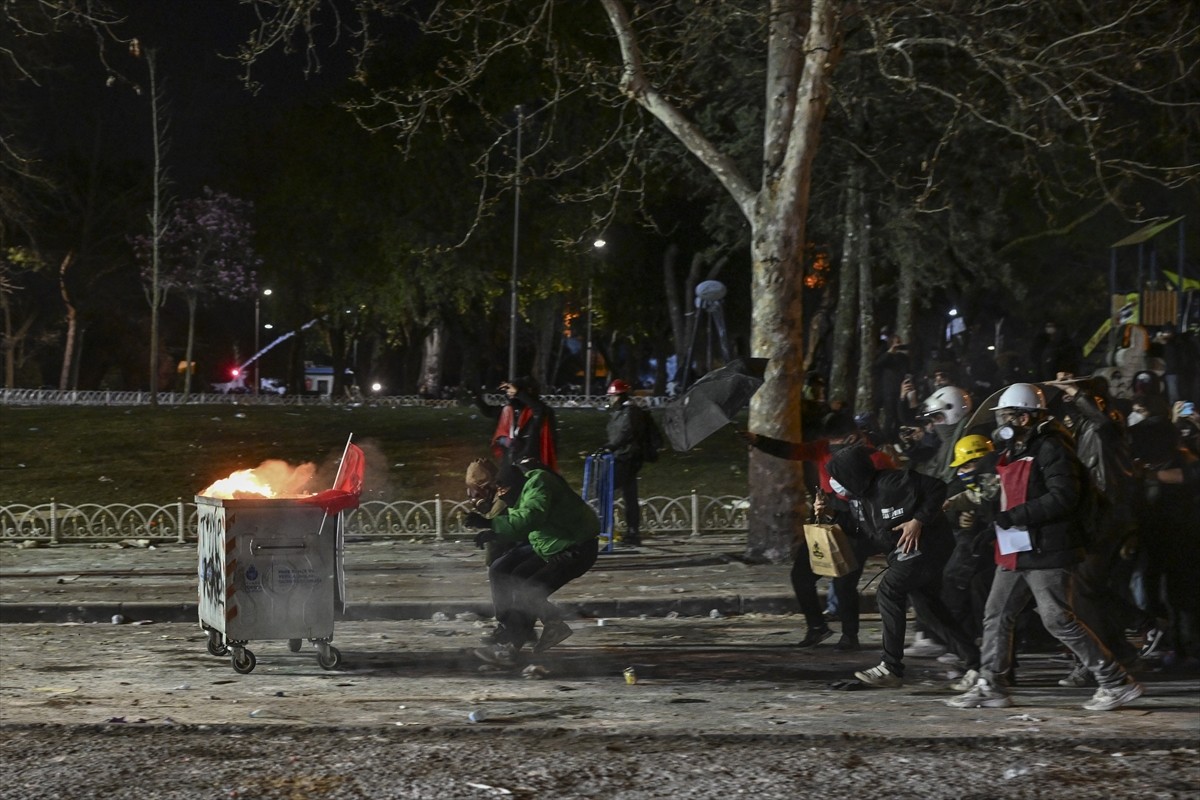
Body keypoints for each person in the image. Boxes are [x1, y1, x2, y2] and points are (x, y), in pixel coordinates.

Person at [947, 383, 1144, 712]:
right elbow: (1002, 490)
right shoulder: (1016, 450)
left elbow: (1063, 496)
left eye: (1006, 416)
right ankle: (990, 684)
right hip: (1017, 547)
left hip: (1047, 547)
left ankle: (1115, 681)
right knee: (996, 614)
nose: (1000, 423)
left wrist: (1015, 516)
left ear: (1025, 417)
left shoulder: (1052, 447)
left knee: (1057, 619)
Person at [825, 444, 981, 688]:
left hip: (927, 547)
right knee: (929, 609)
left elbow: (937, 488)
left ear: (852, 473)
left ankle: (891, 667)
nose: (835, 483)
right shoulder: (861, 499)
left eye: (838, 476)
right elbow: (861, 531)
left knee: (889, 590)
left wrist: (918, 520)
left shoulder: (892, 482)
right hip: (905, 553)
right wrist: (829, 514)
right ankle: (975, 662)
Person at [744, 411, 893, 650]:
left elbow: (888, 495)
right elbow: (793, 451)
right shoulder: (822, 448)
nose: (832, 446)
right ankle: (817, 627)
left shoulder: (876, 459)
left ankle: (849, 636)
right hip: (828, 524)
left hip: (858, 527)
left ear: (853, 437)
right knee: (801, 575)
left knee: (844, 582)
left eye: (838, 440)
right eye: (830, 440)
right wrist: (759, 440)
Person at [465, 457, 600, 666]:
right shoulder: (520, 491)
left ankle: (509, 648)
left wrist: (489, 522)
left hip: (574, 548)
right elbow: (522, 524)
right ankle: (532, 626)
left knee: (528, 591)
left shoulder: (539, 484)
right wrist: (494, 534)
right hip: (550, 545)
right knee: (504, 572)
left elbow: (530, 518)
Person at [599, 379, 652, 546]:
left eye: (613, 397)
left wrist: (610, 446)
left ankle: (613, 529)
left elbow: (626, 433)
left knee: (606, 488)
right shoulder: (621, 411)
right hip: (622, 456)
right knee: (629, 495)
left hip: (627, 457)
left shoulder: (631, 411)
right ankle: (631, 532)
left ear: (620, 396)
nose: (611, 400)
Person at [479, 376, 558, 471]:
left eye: (515, 389)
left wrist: (519, 393)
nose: (510, 392)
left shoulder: (541, 411)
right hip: (510, 458)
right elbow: (489, 412)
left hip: (530, 461)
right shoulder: (509, 410)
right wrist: (477, 395)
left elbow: (539, 410)